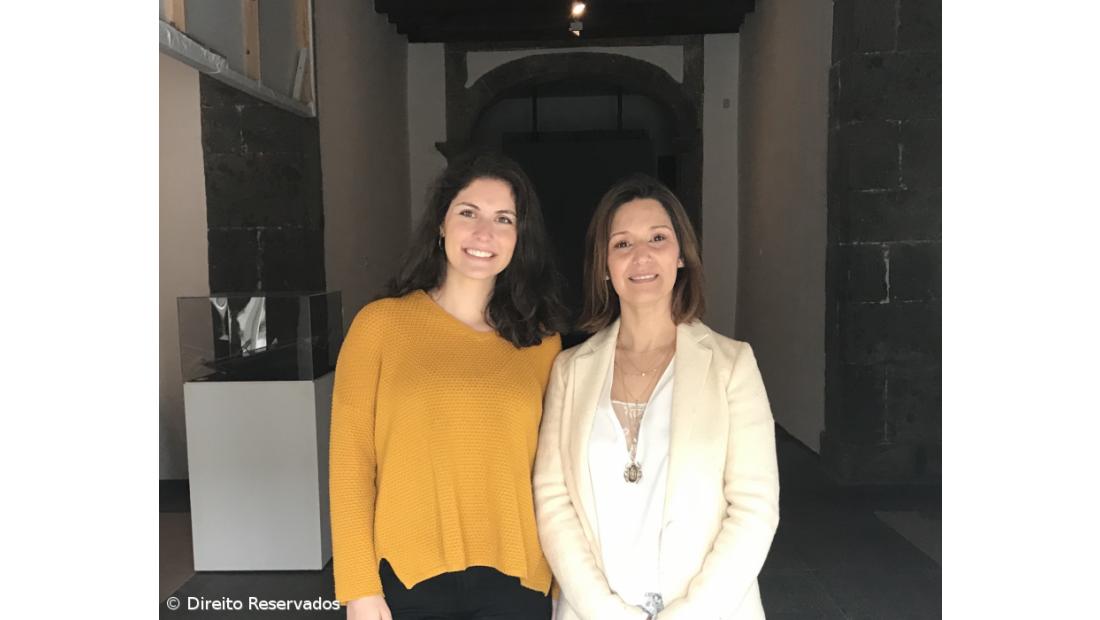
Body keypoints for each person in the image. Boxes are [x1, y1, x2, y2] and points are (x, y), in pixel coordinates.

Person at [330, 152, 568, 620]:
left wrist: (562, 583)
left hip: (518, 579)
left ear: (520, 238)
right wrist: (358, 587)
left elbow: (555, 472)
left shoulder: (541, 343)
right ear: (441, 223)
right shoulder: (380, 326)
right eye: (468, 213)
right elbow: (350, 463)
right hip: (404, 577)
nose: (484, 233)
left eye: (504, 219)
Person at [533, 174, 780, 620]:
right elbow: (553, 501)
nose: (641, 255)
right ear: (604, 264)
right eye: (622, 244)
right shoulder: (570, 371)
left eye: (658, 238)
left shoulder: (731, 366)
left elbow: (754, 508)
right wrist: (605, 612)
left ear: (681, 255)